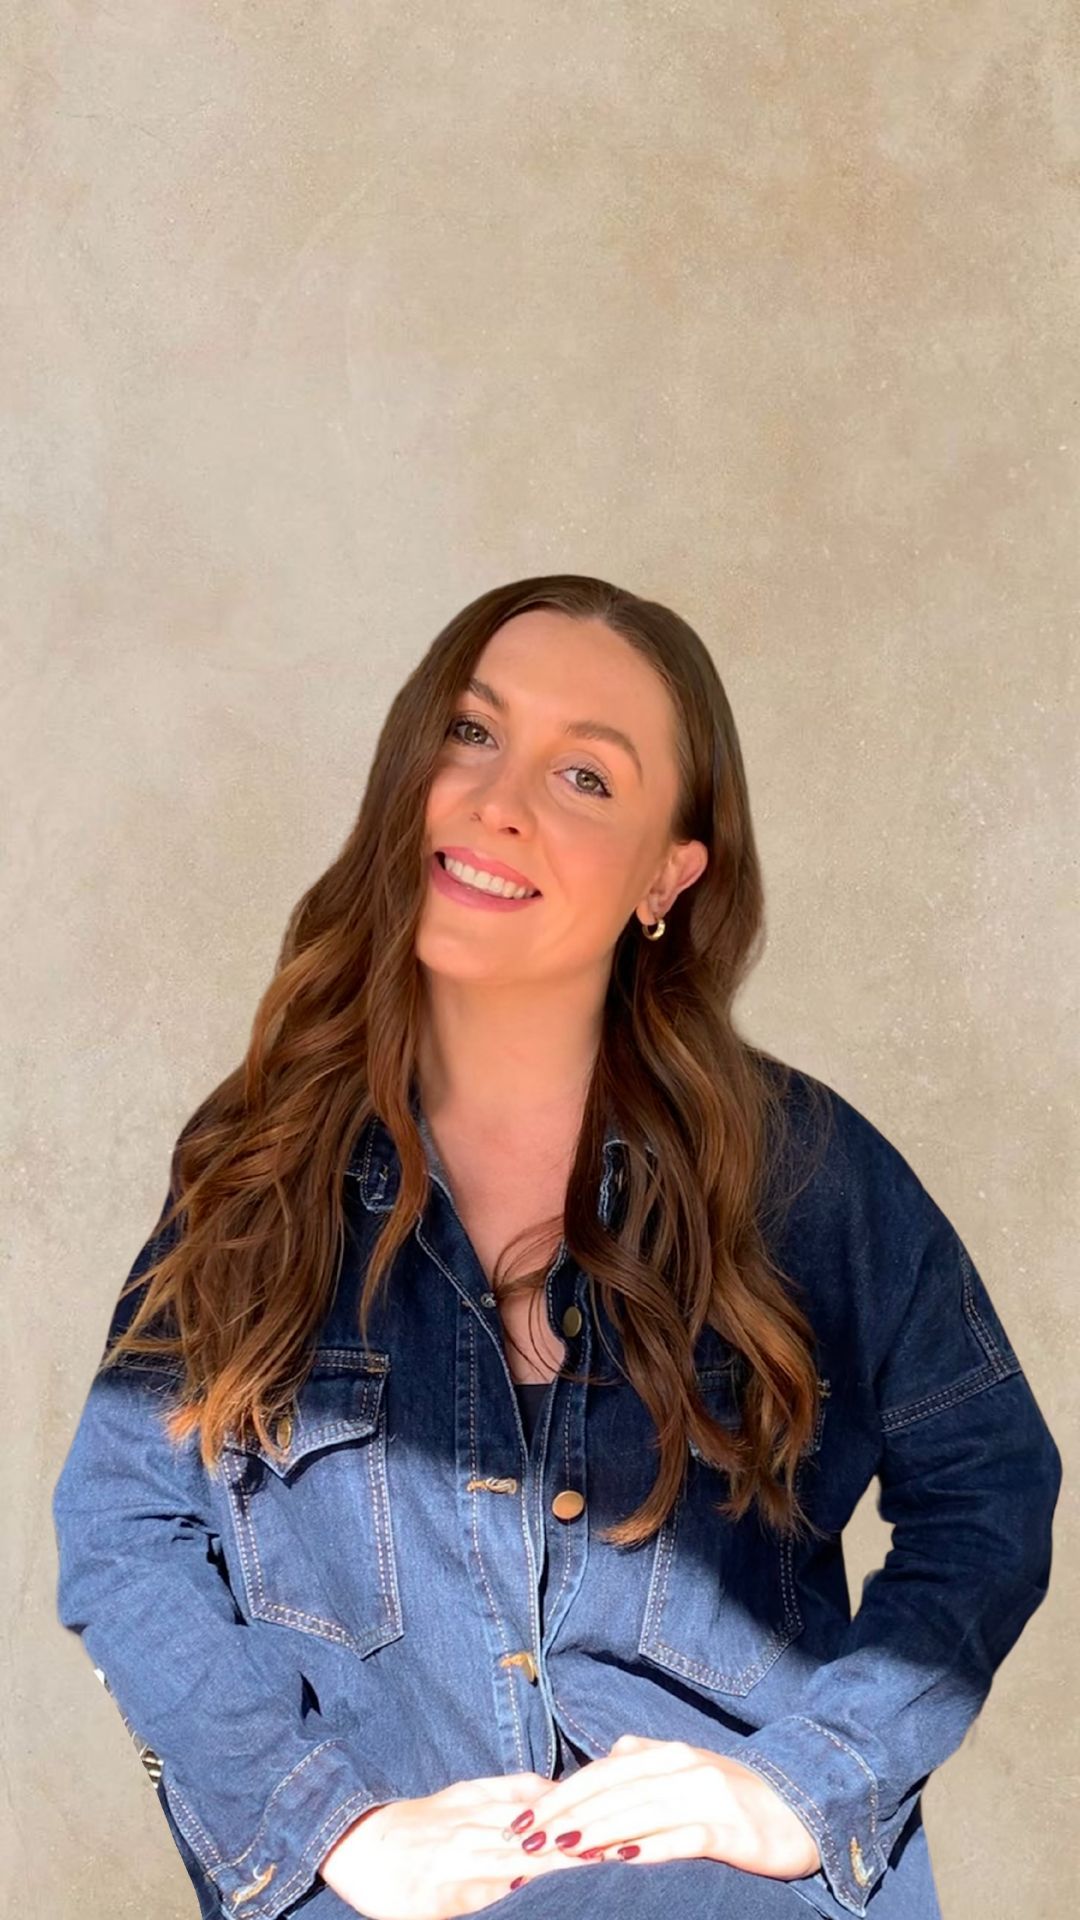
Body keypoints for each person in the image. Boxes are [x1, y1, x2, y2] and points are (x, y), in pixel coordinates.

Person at [51, 576, 1062, 1920]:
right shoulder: (259, 1170)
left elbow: (991, 1486)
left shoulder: (804, 1173)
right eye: (473, 734)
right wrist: (321, 1828)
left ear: (669, 874)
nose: (500, 799)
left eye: (585, 776)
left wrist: (807, 1786)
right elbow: (125, 1531)